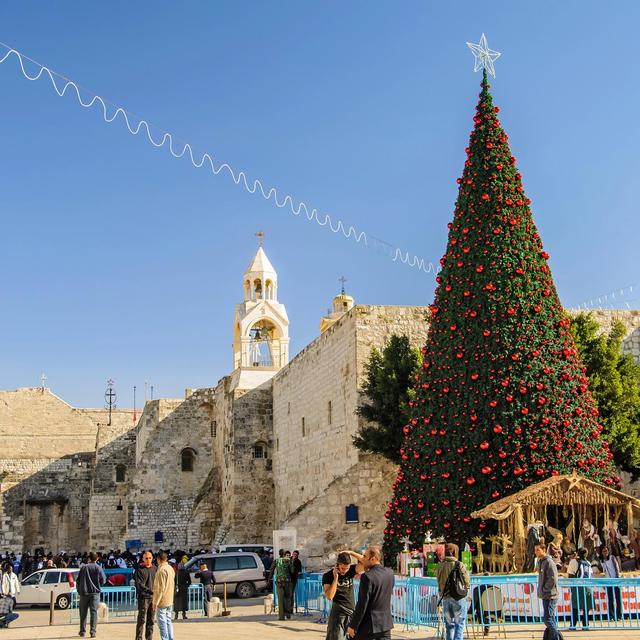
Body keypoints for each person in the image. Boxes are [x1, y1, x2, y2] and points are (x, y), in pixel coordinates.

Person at [347, 545, 394, 640]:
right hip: (385, 625)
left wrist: (353, 625)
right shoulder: (390, 573)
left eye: (364, 556)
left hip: (369, 626)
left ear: (372, 559)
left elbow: (362, 604)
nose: (362, 559)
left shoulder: (367, 577)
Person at [322, 550, 365, 640]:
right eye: (342, 568)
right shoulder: (327, 576)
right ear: (337, 565)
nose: (344, 571)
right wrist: (335, 579)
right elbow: (330, 596)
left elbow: (365, 563)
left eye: (347, 568)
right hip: (338, 613)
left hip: (352, 611)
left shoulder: (352, 570)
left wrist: (351, 553)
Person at [436, 543, 471, 640]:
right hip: (458, 597)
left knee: (449, 624)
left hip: (446, 598)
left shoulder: (440, 566)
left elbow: (438, 581)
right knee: (459, 624)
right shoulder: (459, 565)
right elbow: (467, 580)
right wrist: (466, 590)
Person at [76, 551, 106, 638]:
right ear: (97, 559)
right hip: (95, 593)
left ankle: (82, 631)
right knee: (94, 612)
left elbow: (78, 580)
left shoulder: (84, 567)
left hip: (84, 593)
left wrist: (79, 590)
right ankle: (93, 632)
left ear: (89, 558)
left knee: (83, 613)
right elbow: (103, 580)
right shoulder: (98, 568)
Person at [535, 541, 559, 640]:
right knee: (550, 618)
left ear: (543, 550)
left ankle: (556, 636)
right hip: (545, 595)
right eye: (535, 550)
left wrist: (545, 589)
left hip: (550, 595)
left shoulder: (549, 562)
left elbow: (553, 578)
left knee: (547, 619)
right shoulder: (540, 562)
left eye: (538, 550)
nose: (536, 552)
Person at [567, 547, 593, 631]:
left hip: (578, 587)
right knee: (586, 608)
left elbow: (570, 575)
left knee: (575, 607)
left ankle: (573, 625)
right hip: (588, 588)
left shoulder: (573, 562)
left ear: (577, 553)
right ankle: (585, 625)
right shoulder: (588, 563)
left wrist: (571, 587)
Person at [134, 551, 157, 640]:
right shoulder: (139, 570)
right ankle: (139, 638)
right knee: (141, 619)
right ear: (143, 559)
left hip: (153, 598)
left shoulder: (155, 569)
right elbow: (140, 585)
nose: (148, 560)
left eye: (149, 558)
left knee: (151, 620)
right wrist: (151, 591)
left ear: (152, 558)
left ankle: (149, 638)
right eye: (146, 558)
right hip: (143, 598)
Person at [153, 550, 175, 640]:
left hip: (162, 600)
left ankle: (165, 638)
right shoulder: (170, 568)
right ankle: (170, 638)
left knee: (162, 623)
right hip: (169, 599)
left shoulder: (161, 570)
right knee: (168, 621)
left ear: (158, 559)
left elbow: (160, 589)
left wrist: (155, 602)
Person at [598, 545, 622, 622]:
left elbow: (617, 568)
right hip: (608, 581)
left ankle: (619, 616)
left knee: (618, 598)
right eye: (604, 551)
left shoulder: (612, 557)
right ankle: (611, 616)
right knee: (610, 599)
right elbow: (603, 571)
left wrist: (617, 579)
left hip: (615, 580)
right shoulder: (601, 561)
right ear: (601, 552)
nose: (605, 552)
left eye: (606, 551)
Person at [269, 550, 294, 620]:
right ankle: (288, 614)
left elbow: (271, 570)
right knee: (287, 598)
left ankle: (281, 616)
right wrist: (291, 562)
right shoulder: (288, 561)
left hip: (279, 582)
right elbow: (292, 571)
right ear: (284, 554)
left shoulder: (276, 561)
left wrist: (269, 580)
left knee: (280, 599)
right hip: (287, 582)